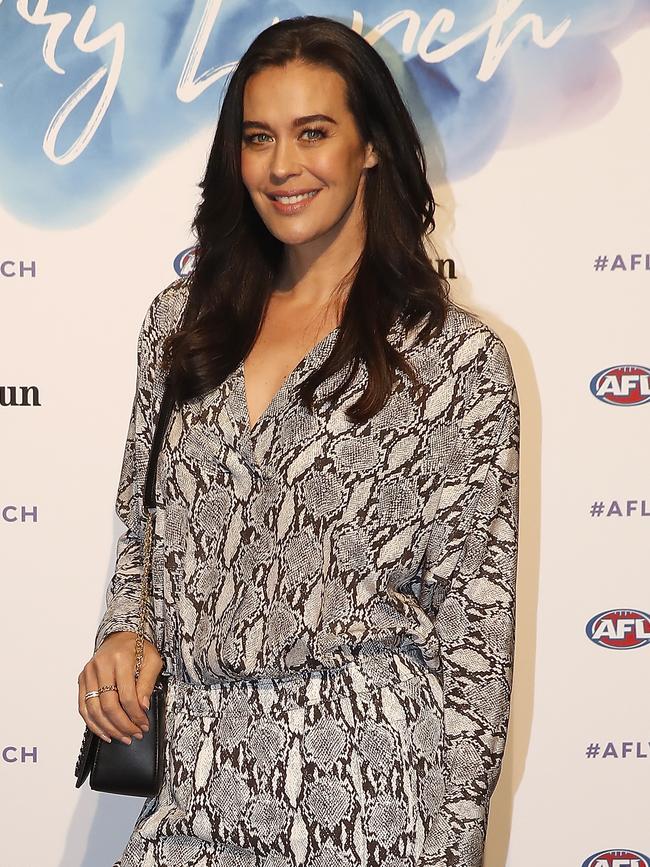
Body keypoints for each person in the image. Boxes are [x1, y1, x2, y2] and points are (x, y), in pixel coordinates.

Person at [77, 15, 520, 867]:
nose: (283, 165)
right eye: (258, 137)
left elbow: (476, 639)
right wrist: (123, 635)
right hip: (194, 782)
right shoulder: (182, 327)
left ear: (371, 148)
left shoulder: (456, 360)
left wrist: (452, 846)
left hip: (368, 799)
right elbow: (143, 527)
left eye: (314, 132)